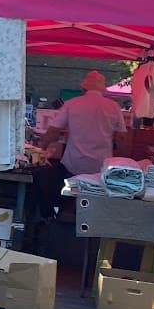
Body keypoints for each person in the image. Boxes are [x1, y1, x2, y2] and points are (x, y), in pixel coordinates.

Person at [34, 69, 127, 213]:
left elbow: (53, 131)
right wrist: (121, 161)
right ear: (102, 88)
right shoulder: (113, 107)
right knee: (95, 205)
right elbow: (121, 137)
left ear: (83, 87)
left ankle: (65, 224)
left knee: (69, 200)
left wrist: (41, 149)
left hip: (73, 164)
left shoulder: (72, 104)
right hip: (101, 165)